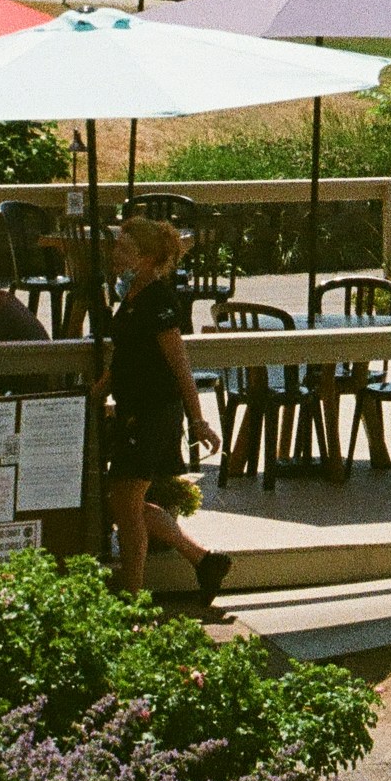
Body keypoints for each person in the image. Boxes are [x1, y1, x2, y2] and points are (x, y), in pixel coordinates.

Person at [99, 215, 231, 605]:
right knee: (126, 500)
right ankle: (204, 561)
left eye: (123, 246)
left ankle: (132, 596)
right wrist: (93, 394)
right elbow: (122, 360)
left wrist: (198, 419)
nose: (116, 251)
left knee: (124, 501)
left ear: (144, 256)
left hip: (153, 413)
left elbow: (179, 363)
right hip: (134, 411)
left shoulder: (157, 300)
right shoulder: (132, 295)